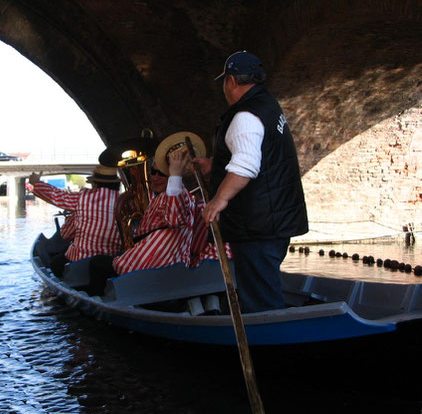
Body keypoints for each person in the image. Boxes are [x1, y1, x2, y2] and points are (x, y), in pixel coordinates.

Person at [194, 50, 308, 313]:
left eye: (224, 81)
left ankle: (271, 345)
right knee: (260, 286)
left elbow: (245, 165)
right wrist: (215, 165)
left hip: (257, 225)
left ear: (232, 81)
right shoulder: (267, 106)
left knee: (261, 302)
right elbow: (262, 154)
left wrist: (218, 200)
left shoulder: (245, 117)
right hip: (274, 220)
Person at [86, 132, 205, 296]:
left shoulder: (178, 194)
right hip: (155, 260)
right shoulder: (166, 196)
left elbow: (174, 219)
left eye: (162, 173)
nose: (155, 177)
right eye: (153, 172)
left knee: (96, 263)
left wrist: (175, 175)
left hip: (153, 265)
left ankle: (98, 302)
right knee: (109, 259)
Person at [29, 165, 123, 276]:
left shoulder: (83, 197)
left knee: (55, 264)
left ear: (95, 184)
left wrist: (36, 183)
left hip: (79, 260)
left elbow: (57, 196)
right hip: (109, 261)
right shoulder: (124, 202)